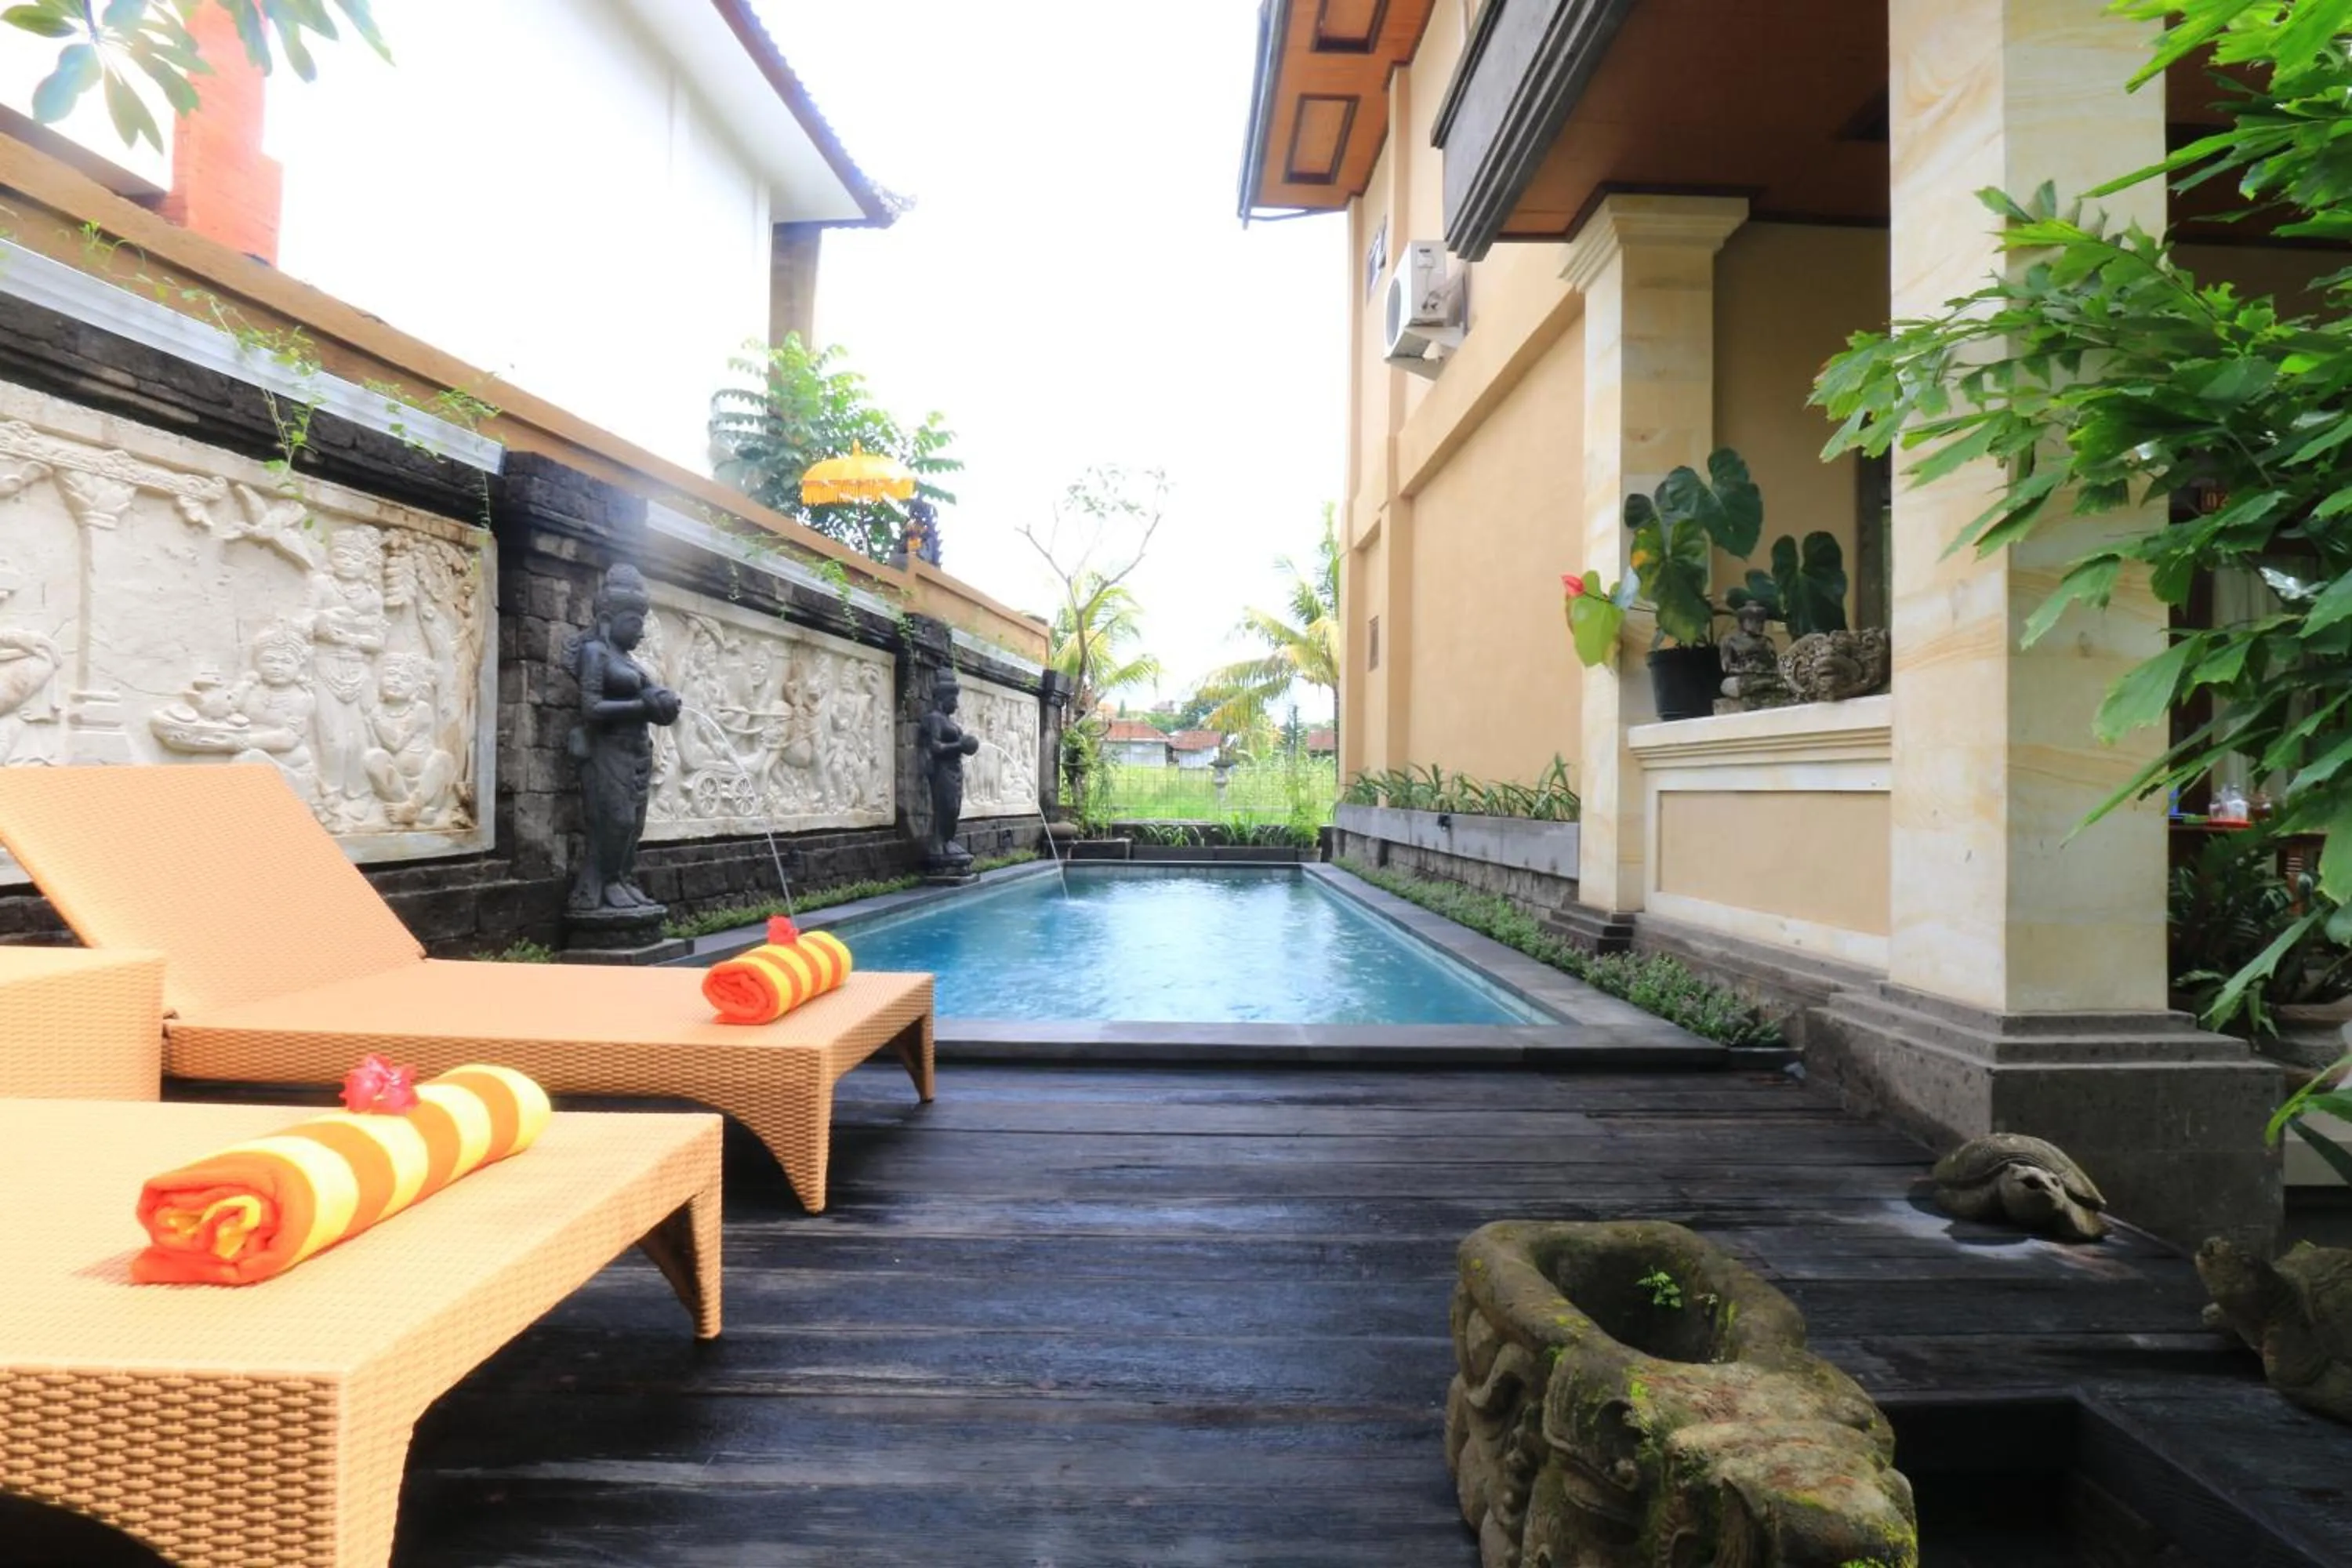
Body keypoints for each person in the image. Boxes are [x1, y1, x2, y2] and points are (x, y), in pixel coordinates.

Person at [566, 564, 683, 913]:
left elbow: (650, 699)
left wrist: (663, 702)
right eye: (634, 623)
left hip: (636, 749)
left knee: (634, 824)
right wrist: (640, 706)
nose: (642, 633)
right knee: (616, 820)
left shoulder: (628, 661)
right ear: (607, 618)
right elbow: (590, 708)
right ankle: (602, 886)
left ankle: (620, 880)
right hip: (608, 749)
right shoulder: (595, 654)